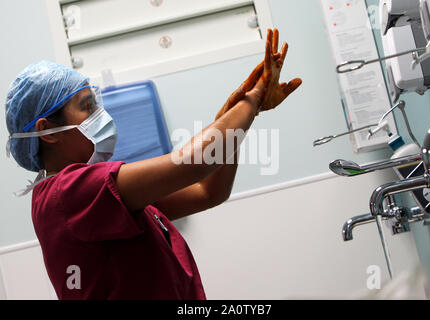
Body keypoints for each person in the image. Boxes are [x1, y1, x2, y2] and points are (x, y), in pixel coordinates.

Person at [5, 29, 301, 299]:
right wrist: (252, 102)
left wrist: (236, 114)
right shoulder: (69, 193)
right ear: (46, 132)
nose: (100, 115)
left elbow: (207, 191)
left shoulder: (88, 191)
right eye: (86, 107)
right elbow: (193, 164)